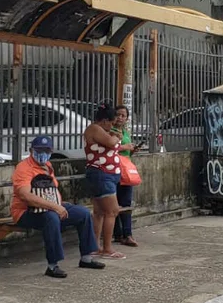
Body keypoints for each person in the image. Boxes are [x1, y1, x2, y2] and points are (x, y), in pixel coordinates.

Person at [12, 136, 106, 278]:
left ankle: (86, 257)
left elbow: (51, 190)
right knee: (52, 218)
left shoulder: (47, 166)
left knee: (83, 214)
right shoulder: (24, 168)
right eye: (39, 150)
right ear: (31, 150)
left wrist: (59, 205)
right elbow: (26, 196)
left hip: (51, 206)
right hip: (26, 212)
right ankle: (52, 265)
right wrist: (55, 207)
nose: (43, 153)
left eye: (46, 150)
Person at [84, 102, 126, 259]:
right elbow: (110, 142)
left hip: (105, 174)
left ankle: (95, 246)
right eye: (111, 122)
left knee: (100, 212)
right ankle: (107, 248)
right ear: (104, 120)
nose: (112, 126)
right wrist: (116, 136)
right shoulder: (95, 129)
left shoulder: (101, 130)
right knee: (112, 211)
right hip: (101, 174)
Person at [111, 105, 140, 247]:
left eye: (123, 116)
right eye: (118, 115)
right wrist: (124, 147)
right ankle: (117, 233)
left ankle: (127, 233)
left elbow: (127, 152)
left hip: (126, 169)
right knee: (114, 202)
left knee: (126, 202)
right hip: (113, 169)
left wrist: (132, 150)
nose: (120, 118)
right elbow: (108, 149)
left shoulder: (125, 132)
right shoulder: (110, 131)